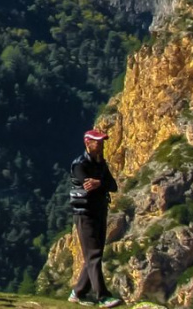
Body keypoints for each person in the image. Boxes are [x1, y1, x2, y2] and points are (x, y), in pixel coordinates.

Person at [69, 127, 120, 307]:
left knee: (94, 254)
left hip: (99, 211)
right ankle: (103, 296)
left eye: (102, 142)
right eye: (97, 142)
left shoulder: (100, 164)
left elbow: (113, 185)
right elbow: (87, 184)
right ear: (87, 143)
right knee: (94, 255)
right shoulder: (80, 164)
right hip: (85, 214)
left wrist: (99, 183)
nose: (100, 145)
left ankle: (77, 292)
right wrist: (99, 183)